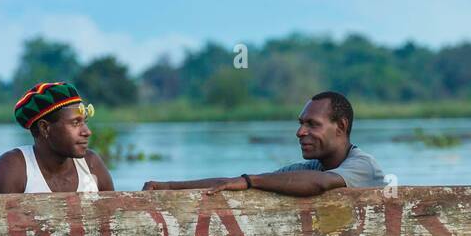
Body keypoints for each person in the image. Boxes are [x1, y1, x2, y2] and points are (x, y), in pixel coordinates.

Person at [142, 91, 384, 196]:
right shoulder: (310, 169)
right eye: (301, 123)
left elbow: (321, 184)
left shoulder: (363, 166)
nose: (300, 132)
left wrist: (251, 181)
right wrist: (168, 186)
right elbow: (232, 182)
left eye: (312, 124)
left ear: (340, 126)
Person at [0, 81, 114, 194]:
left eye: (84, 122)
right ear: (44, 128)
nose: (87, 132)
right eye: (75, 123)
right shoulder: (12, 169)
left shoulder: (91, 164)